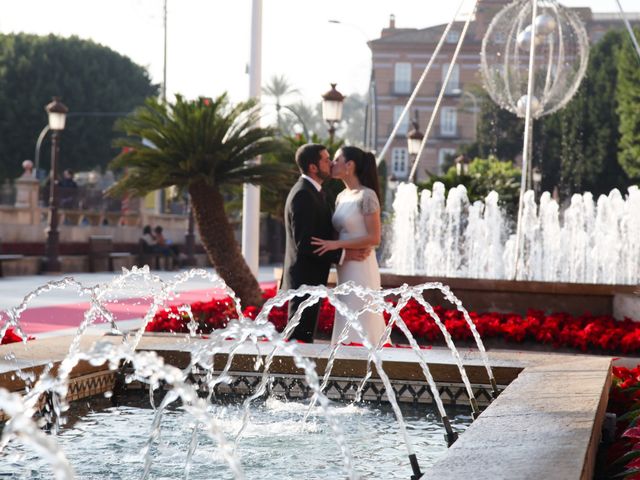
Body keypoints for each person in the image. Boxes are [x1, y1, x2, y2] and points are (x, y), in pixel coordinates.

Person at [281, 144, 368, 343]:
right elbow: (306, 244)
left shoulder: (317, 192)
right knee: (299, 341)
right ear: (313, 167)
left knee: (303, 339)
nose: (331, 163)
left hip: (311, 278)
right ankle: (293, 375)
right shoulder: (303, 194)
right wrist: (344, 255)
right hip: (304, 280)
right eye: (326, 159)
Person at [310, 146, 387, 347]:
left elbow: (374, 237)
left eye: (336, 159)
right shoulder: (342, 196)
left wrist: (337, 244)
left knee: (360, 312)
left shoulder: (367, 196)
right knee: (345, 310)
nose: (332, 164)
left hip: (361, 265)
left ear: (350, 165)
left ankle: (366, 360)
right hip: (345, 265)